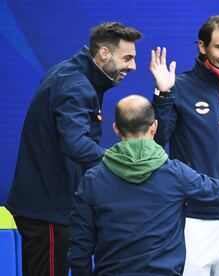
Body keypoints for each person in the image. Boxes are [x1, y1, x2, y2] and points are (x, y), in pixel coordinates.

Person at [67, 95, 219, 275]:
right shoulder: (175, 173)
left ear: (116, 128)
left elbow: (79, 248)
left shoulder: (93, 179)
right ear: (154, 126)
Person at [6, 22, 142, 275]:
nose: (133, 66)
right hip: (47, 212)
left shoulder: (74, 74)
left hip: (50, 207)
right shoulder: (75, 85)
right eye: (128, 58)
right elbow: (76, 144)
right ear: (104, 53)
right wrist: (124, 164)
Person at [150, 15, 219, 275]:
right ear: (202, 46)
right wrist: (163, 95)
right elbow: (157, 140)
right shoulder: (180, 87)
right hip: (192, 218)